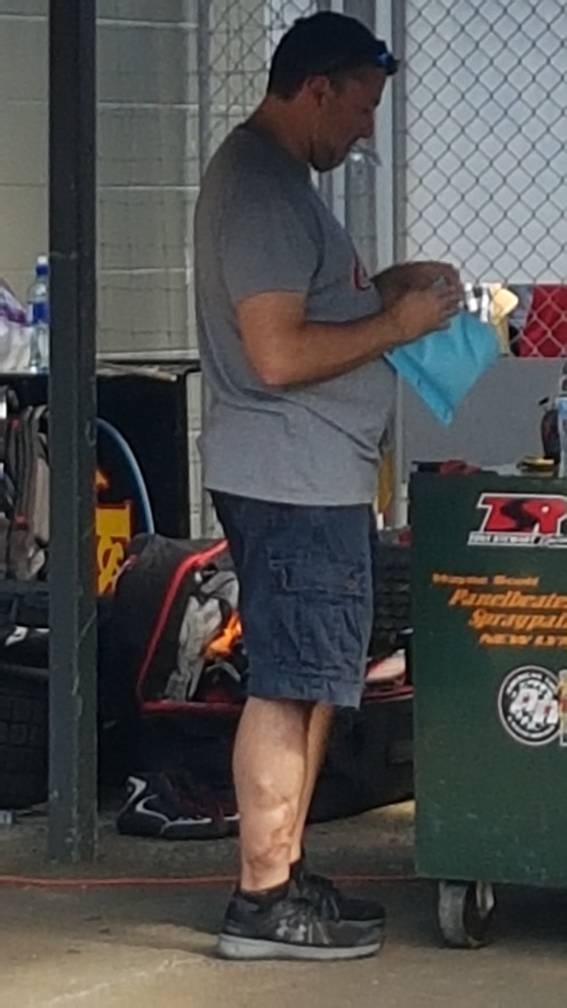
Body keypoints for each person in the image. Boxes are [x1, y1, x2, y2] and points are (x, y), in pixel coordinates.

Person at [194, 11, 461, 961]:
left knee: (310, 683)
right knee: (286, 684)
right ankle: (261, 898)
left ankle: (285, 870)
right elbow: (276, 353)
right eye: (359, 107)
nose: (364, 130)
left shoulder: (282, 190)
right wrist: (396, 327)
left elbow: (312, 308)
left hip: (311, 479)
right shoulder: (263, 188)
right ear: (316, 89)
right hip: (290, 481)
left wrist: (389, 290)